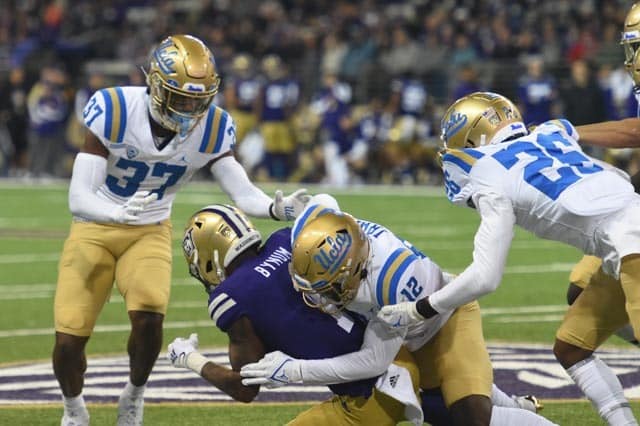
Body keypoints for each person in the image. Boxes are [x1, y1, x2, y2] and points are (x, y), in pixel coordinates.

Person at [52, 34, 310, 426]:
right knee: (69, 340)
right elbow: (78, 197)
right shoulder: (115, 109)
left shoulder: (212, 127)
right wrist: (116, 213)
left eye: (198, 98)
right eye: (181, 96)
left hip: (150, 227)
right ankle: (74, 408)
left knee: (150, 317)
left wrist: (276, 208)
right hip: (94, 225)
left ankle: (134, 395)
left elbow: (241, 189)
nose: (191, 107)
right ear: (156, 84)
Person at [376, 91, 640, 425]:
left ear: (471, 136)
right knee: (572, 346)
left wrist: (420, 308)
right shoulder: (549, 132)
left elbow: (486, 276)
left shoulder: (488, 174)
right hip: (621, 246)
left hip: (631, 247)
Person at [240, 195, 556, 426]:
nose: (322, 299)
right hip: (409, 332)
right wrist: (284, 207)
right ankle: (516, 407)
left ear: (357, 269)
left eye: (330, 288)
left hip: (446, 320)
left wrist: (294, 371)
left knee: (470, 418)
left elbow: (373, 361)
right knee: (439, 408)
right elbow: (320, 200)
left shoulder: (391, 284)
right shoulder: (314, 227)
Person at [167, 204, 425, 425]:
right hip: (402, 357)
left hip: (367, 396)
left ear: (209, 255)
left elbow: (244, 387)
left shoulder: (231, 295)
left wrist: (189, 358)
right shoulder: (286, 238)